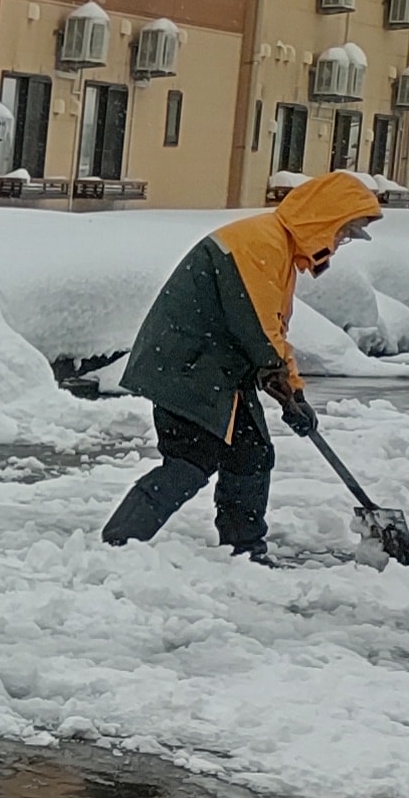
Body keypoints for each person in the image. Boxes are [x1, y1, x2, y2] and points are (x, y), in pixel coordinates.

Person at [101, 171, 383, 559]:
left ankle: (245, 550)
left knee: (250, 455)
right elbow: (257, 327)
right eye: (344, 232)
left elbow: (274, 330)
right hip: (188, 367)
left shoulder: (278, 248)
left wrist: (295, 392)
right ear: (324, 220)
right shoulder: (260, 244)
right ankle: (118, 545)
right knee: (191, 459)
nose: (339, 243)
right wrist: (284, 387)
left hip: (218, 370)